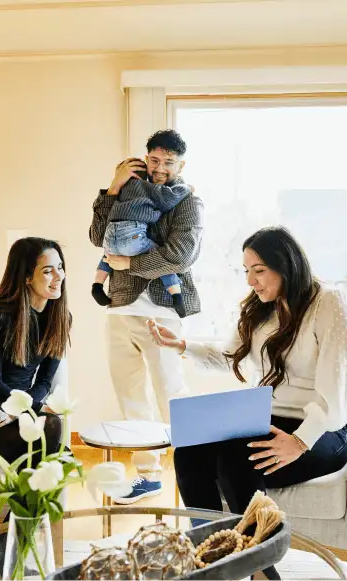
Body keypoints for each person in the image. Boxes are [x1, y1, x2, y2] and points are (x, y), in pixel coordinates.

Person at [148, 226, 347, 517]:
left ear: (285, 264)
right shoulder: (261, 308)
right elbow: (229, 356)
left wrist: (299, 441)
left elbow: (336, 396)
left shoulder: (329, 303)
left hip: (324, 430)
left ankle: (257, 560)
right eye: (247, 270)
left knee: (236, 459)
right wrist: (181, 345)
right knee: (189, 452)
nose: (251, 281)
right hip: (269, 419)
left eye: (258, 270)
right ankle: (211, 549)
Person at [89, 129, 204, 503]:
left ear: (180, 165)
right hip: (120, 307)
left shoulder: (188, 201)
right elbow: (97, 237)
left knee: (172, 394)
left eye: (168, 163)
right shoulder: (126, 189)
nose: (160, 169)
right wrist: (112, 187)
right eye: (154, 160)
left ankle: (195, 476)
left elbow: (180, 255)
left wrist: (131, 263)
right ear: (145, 158)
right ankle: (148, 475)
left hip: (163, 312)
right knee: (130, 396)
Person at [0, 237, 72, 466]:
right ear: (27, 277)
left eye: (60, 268)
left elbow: (44, 383)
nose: (59, 276)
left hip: (17, 408)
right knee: (54, 437)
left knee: (61, 455)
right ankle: (24, 503)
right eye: (48, 271)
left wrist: (17, 412)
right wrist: (23, 409)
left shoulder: (61, 319)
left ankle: (17, 503)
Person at [91, 159, 193, 317]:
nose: (159, 168)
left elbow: (100, 239)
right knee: (157, 255)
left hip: (111, 236)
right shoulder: (147, 188)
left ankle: (97, 285)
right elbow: (169, 197)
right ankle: (176, 295)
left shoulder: (117, 195)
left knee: (108, 255)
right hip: (132, 236)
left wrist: (115, 186)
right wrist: (187, 188)